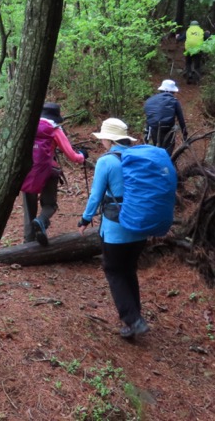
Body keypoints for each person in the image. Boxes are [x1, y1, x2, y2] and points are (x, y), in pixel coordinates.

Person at [78, 118, 150, 339]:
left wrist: (85, 218)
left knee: (114, 271)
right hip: (140, 227)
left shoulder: (106, 162)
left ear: (109, 139)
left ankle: (133, 320)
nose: (102, 143)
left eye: (103, 139)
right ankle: (134, 319)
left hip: (116, 230)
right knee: (128, 270)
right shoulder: (138, 157)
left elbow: (96, 195)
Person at [21, 102, 87, 246]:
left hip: (27, 172)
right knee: (50, 204)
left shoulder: (27, 127)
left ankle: (28, 242)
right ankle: (42, 221)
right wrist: (82, 155)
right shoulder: (55, 130)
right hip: (48, 171)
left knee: (28, 208)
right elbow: (72, 156)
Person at [143, 79, 188, 155]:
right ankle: (167, 163)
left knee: (156, 148)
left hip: (154, 127)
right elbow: (181, 119)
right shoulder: (174, 101)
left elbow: (150, 116)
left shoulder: (152, 100)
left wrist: (146, 131)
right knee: (168, 149)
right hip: (168, 128)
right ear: (172, 92)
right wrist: (185, 134)